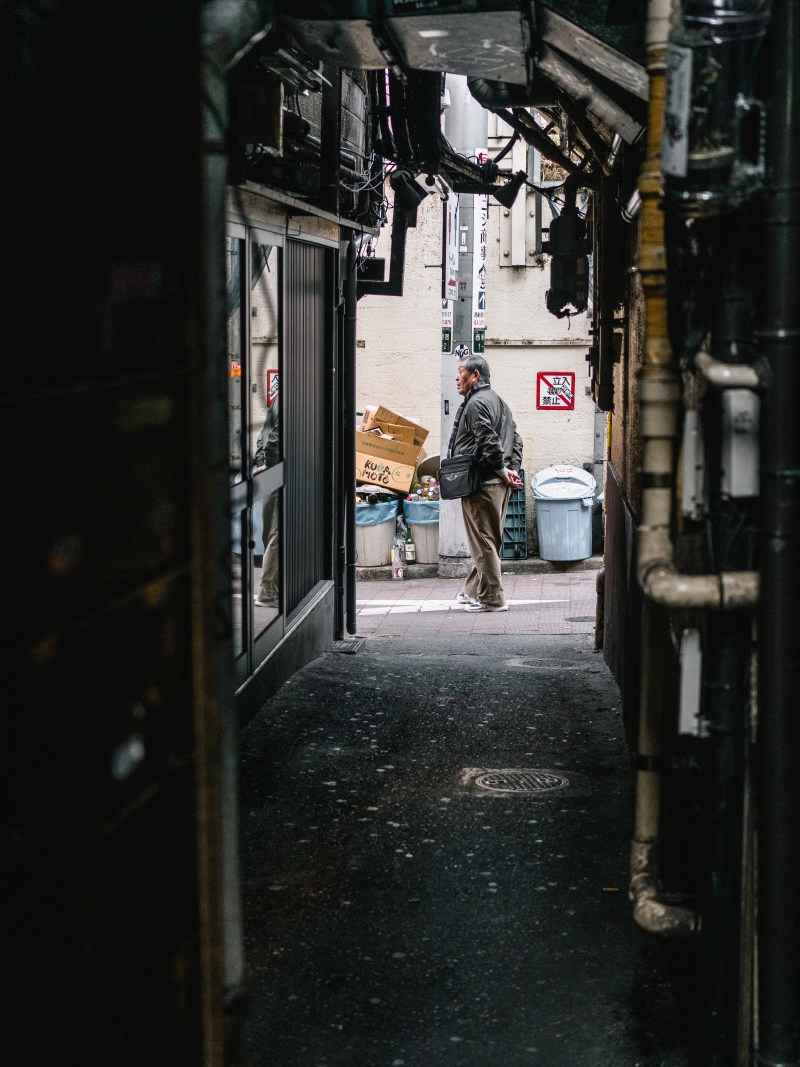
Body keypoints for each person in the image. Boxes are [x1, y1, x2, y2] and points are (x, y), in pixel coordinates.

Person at [450, 355, 523, 612]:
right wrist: (511, 471)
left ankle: (492, 598)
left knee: (483, 541)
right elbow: (517, 440)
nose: (457, 377)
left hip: (483, 483)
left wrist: (504, 471)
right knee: (489, 539)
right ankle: (473, 590)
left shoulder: (476, 403)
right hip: (498, 484)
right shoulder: (500, 403)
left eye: (461, 372)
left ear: (475, 376)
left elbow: (488, 441)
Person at [254, 391, 280, 609]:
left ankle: (272, 590)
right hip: (276, 470)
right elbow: (273, 438)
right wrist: (269, 465)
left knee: (270, 532)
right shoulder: (290, 398)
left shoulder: (278, 399)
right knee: (277, 534)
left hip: (268, 469)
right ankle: (268, 593)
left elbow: (263, 435)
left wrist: (261, 462)